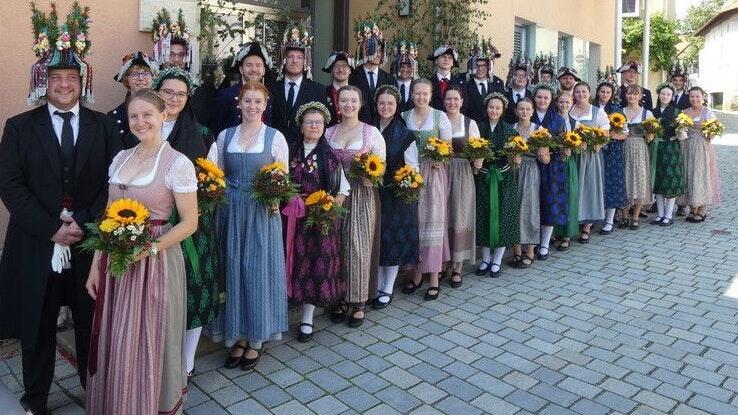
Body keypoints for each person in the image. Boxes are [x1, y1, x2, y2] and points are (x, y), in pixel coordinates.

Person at [0, 6, 120, 414]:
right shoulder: (18, 127)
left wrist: (83, 224)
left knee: (90, 323)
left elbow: (114, 181)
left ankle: (96, 393)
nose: (64, 85)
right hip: (36, 243)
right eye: (56, 78)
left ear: (81, 82)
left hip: (87, 243)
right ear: (43, 83)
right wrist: (52, 228)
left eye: (71, 78)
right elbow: (10, 185)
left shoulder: (104, 125)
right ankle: (35, 398)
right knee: (37, 327)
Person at [84, 89, 196, 414]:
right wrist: (95, 266)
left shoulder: (178, 163)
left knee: (149, 336)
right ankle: (118, 402)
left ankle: (148, 404)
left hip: (156, 264)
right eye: (134, 115)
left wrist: (149, 249)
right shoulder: (121, 158)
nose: (140, 121)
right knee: (117, 336)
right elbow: (107, 217)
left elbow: (189, 223)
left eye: (148, 114)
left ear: (164, 116)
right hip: (115, 261)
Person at [210, 81, 288, 371]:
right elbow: (213, 173)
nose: (252, 107)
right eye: (247, 101)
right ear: (239, 104)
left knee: (255, 269)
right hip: (229, 210)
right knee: (232, 268)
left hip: (259, 210)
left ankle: (256, 338)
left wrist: (273, 197)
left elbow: (282, 177)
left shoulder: (275, 137)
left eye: (258, 102)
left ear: (265, 105)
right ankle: (237, 336)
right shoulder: (224, 136)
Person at [149, 67, 219, 379]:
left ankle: (187, 362)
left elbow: (213, 180)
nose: (174, 98)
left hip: (192, 226)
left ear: (188, 97)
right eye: (168, 92)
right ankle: (156, 355)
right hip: (151, 224)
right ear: (157, 94)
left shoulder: (203, 134)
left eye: (180, 93)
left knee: (194, 289)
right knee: (156, 293)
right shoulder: (143, 127)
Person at [284, 102, 349, 342]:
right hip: (289, 217)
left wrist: (328, 211)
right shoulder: (289, 151)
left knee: (312, 267)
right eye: (309, 122)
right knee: (289, 263)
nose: (314, 126)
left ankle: (307, 319)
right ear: (301, 126)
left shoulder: (330, 156)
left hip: (316, 221)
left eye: (318, 122)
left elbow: (342, 190)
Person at [326, 85, 386, 327]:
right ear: (337, 104)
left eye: (353, 101)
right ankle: (340, 295)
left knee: (358, 246)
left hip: (361, 193)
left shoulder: (371, 133)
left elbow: (381, 166)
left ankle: (358, 300)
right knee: (336, 245)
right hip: (333, 194)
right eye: (344, 100)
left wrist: (370, 177)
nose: (348, 105)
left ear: (361, 104)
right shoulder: (329, 132)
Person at [400, 78, 452, 300]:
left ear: (431, 95)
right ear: (412, 95)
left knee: (434, 222)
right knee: (414, 222)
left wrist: (440, 157)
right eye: (417, 93)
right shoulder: (404, 117)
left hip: (434, 175)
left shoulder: (440, 117)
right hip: (409, 174)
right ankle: (417, 274)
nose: (421, 97)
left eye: (425, 93)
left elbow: (448, 149)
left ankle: (433, 277)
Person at [372, 85, 419, 308]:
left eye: (390, 103)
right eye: (382, 103)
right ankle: (377, 283)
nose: (385, 107)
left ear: (397, 105)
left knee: (391, 239)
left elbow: (412, 168)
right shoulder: (369, 129)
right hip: (372, 191)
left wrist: (406, 187)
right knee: (377, 239)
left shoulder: (405, 134)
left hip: (395, 193)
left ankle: (388, 286)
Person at [475, 93, 520, 278]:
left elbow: (516, 157)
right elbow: (473, 151)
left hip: (504, 178)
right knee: (484, 215)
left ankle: (497, 260)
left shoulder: (510, 131)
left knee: (503, 215)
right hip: (484, 178)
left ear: (503, 111)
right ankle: (485, 259)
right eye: (491, 107)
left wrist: (516, 157)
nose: (494, 110)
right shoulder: (478, 128)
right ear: (486, 108)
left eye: (498, 108)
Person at [151, 8, 212, 125]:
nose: (176, 60)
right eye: (171, 54)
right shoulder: (150, 90)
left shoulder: (198, 93)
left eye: (181, 55)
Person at [443, 85, 479, 286]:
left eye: (456, 99)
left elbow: (478, 149)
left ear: (462, 101)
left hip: (463, 172)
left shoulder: (469, 123)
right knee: (444, 215)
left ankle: (457, 266)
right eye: (448, 99)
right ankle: (443, 263)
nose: (452, 102)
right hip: (442, 172)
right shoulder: (439, 119)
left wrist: (478, 159)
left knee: (460, 215)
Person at [269, 23, 326, 146]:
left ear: (305, 61)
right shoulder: (270, 88)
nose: (294, 61)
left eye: (299, 57)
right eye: (290, 56)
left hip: (305, 150)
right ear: (284, 60)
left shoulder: (318, 90)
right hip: (274, 147)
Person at [531, 84, 567, 260]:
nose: (542, 100)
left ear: (551, 99)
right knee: (532, 202)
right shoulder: (527, 114)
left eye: (546, 97)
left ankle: (544, 243)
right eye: (539, 97)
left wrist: (551, 151)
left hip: (552, 166)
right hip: (530, 164)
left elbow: (563, 145)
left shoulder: (559, 120)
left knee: (549, 202)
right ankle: (531, 241)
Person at [509, 98, 545, 268]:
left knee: (529, 208)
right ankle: (516, 250)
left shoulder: (538, 130)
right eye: (521, 109)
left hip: (530, 170)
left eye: (527, 109)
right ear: (516, 111)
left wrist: (540, 152)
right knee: (514, 207)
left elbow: (546, 160)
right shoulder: (511, 128)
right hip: (513, 170)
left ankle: (530, 250)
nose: (524, 112)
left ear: (532, 111)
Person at [570, 82, 608, 243]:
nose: (580, 94)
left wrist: (594, 143)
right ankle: (573, 223)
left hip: (591, 156)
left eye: (583, 91)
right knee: (574, 188)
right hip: (572, 156)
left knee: (589, 188)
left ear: (590, 93)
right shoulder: (569, 109)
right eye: (577, 92)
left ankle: (586, 226)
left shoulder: (597, 112)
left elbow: (605, 135)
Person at [210, 41, 273, 136]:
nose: (254, 69)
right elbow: (215, 131)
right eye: (249, 65)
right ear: (241, 69)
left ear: (264, 70)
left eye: (258, 65)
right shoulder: (226, 96)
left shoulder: (269, 96)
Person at [681, 86, 721, 223]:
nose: (694, 99)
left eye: (697, 96)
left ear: (703, 97)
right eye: (692, 96)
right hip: (687, 147)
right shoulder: (684, 112)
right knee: (690, 175)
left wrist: (711, 134)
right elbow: (681, 131)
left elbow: (713, 131)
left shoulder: (708, 113)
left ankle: (702, 209)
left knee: (701, 176)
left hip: (703, 147)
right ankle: (692, 207)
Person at [594, 80, 627, 234]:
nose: (605, 94)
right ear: (597, 92)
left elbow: (624, 133)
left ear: (612, 94)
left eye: (608, 92)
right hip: (594, 150)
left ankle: (609, 220)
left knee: (612, 183)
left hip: (613, 151)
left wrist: (611, 135)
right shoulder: (591, 108)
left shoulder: (616, 109)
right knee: (595, 182)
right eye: (602, 91)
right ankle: (595, 216)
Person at [651, 83, 686, 226]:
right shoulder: (652, 112)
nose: (665, 96)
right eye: (662, 94)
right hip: (656, 147)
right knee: (658, 180)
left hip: (671, 147)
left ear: (671, 97)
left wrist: (681, 130)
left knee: (670, 180)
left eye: (668, 94)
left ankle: (668, 215)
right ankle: (660, 214)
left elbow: (682, 133)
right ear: (659, 95)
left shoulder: (677, 112)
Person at [349, 21, 396, 124]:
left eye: (380, 50)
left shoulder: (390, 79)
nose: (378, 54)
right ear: (364, 50)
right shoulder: (352, 77)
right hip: (359, 128)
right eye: (374, 49)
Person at [621, 84, 654, 230]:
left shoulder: (647, 114)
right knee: (625, 178)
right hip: (624, 147)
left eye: (635, 94)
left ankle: (635, 216)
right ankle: (624, 214)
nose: (632, 96)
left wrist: (651, 134)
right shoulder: (620, 112)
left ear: (640, 96)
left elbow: (651, 136)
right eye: (629, 93)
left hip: (640, 147)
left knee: (640, 179)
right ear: (625, 95)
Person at [108, 51, 157, 139]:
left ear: (153, 77)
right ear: (127, 80)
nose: (141, 78)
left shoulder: (165, 109)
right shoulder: (114, 117)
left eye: (146, 73)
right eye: (134, 74)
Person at [552, 93, 579, 251]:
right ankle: (555, 231)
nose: (564, 104)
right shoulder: (552, 120)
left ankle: (567, 234)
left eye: (567, 102)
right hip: (555, 162)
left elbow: (580, 143)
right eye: (561, 102)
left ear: (572, 103)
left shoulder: (575, 122)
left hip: (568, 163)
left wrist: (573, 149)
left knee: (569, 196)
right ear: (557, 103)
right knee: (555, 196)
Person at [461, 39, 505, 124]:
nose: (480, 68)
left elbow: (502, 109)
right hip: (471, 127)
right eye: (477, 65)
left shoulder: (498, 83)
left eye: (484, 65)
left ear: (489, 66)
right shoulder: (464, 81)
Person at [323, 51, 355, 126]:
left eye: (344, 66)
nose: (340, 70)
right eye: (336, 66)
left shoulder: (359, 94)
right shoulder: (322, 93)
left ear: (350, 70)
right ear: (331, 70)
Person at [390, 39, 419, 113]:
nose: (405, 70)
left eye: (408, 66)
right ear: (396, 66)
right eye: (402, 66)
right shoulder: (388, 84)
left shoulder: (418, 86)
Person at [428, 45, 460, 110]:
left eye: (450, 58)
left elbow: (464, 107)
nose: (446, 59)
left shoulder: (461, 84)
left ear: (453, 63)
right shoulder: (428, 83)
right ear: (436, 60)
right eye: (443, 57)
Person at [504, 57, 533, 123]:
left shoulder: (532, 96)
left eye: (524, 75)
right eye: (517, 75)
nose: (521, 78)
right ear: (512, 77)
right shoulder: (504, 94)